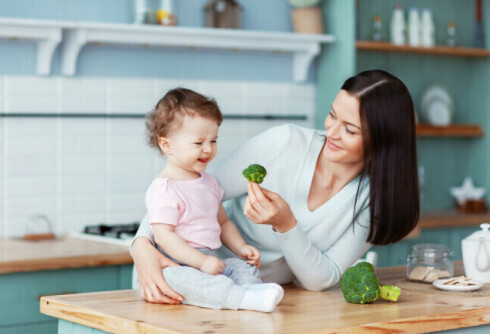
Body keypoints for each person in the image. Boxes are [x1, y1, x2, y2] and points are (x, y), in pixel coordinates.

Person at [131, 70, 419, 304]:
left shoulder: (377, 199)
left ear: (384, 140)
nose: (331, 132)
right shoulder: (286, 143)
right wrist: (141, 246)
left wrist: (286, 225)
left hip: (251, 296)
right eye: (332, 115)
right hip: (179, 276)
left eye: (350, 130)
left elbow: (321, 279)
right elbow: (188, 187)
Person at [140, 87, 284, 312]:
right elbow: (164, 237)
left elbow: (223, 222)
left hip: (210, 261)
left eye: (213, 140)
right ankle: (242, 299)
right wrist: (200, 262)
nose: (208, 149)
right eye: (198, 143)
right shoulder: (163, 189)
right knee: (181, 280)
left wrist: (241, 248)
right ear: (166, 145)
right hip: (176, 264)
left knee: (240, 267)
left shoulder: (208, 182)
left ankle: (251, 293)